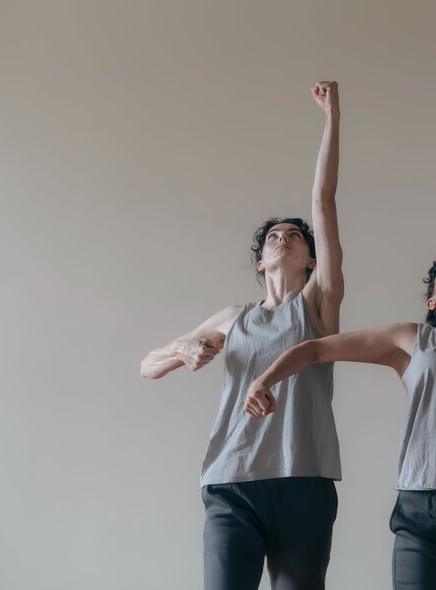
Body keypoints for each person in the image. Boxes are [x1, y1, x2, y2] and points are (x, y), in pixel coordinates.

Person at [245, 134, 436, 589]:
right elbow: (318, 348)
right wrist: (263, 379)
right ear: (432, 300)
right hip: (426, 511)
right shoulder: (411, 339)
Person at [140, 81, 345, 590]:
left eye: (294, 235)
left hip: (304, 480)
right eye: (273, 235)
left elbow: (324, 201)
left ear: (311, 259)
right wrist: (179, 350)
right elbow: (146, 365)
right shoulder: (234, 316)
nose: (284, 238)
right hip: (232, 482)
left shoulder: (318, 303)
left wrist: (332, 119)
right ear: (260, 259)